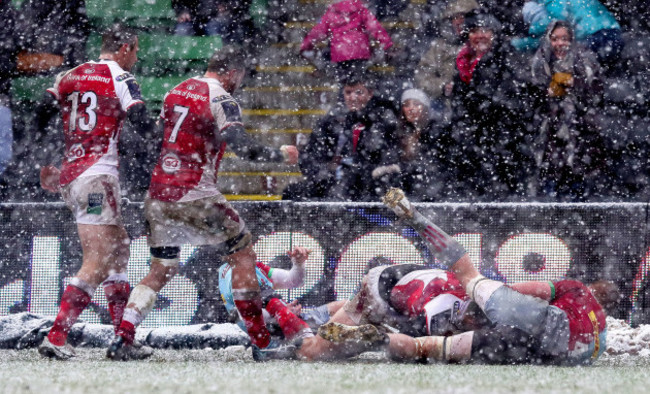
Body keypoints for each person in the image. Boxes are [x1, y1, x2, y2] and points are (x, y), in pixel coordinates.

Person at [106, 46, 299, 361]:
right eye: (241, 76)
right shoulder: (222, 97)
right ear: (232, 72)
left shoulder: (175, 91)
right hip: (197, 194)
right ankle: (262, 343)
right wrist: (279, 155)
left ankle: (123, 336)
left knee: (161, 269)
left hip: (158, 194)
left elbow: (156, 137)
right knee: (243, 257)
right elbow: (239, 144)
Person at [376, 187, 617, 365]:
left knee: (470, 277)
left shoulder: (578, 290)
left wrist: (485, 292)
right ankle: (376, 339)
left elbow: (521, 291)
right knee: (424, 347)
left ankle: (416, 219)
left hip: (544, 332)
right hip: (551, 351)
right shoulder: (598, 332)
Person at [37, 24, 155, 360]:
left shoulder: (69, 75)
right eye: (135, 50)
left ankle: (122, 340)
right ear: (125, 48)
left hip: (73, 177)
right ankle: (57, 336)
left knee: (118, 250)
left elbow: (40, 114)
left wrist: (47, 161)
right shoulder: (120, 77)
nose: (136, 56)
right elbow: (142, 121)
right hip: (97, 179)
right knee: (99, 260)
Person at [448, 9, 531, 200]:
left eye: (486, 30)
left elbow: (511, 98)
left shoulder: (507, 57)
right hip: (473, 137)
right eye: (475, 31)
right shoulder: (463, 60)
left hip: (502, 138)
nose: (480, 36)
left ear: (494, 34)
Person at [282, 73, 397, 201]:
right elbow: (313, 155)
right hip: (330, 182)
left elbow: (378, 156)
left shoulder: (381, 119)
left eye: (359, 93)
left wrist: (351, 172)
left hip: (363, 185)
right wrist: (303, 159)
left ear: (370, 94)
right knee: (292, 193)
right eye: (348, 93)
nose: (353, 98)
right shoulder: (331, 121)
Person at [218, 247, 345, 359]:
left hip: (287, 321)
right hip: (278, 334)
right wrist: (280, 314)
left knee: (345, 306)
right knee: (349, 314)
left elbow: (293, 281)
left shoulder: (254, 267)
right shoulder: (235, 275)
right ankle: (312, 346)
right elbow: (244, 315)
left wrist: (298, 263)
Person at [528, 20, 607, 201]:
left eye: (564, 39)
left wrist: (575, 84)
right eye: (555, 39)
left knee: (579, 173)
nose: (560, 44)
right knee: (550, 171)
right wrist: (547, 91)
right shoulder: (541, 60)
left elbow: (597, 89)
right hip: (550, 129)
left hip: (580, 127)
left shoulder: (584, 57)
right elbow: (531, 91)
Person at [372, 88, 452, 201]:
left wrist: (402, 168)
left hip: (428, 187)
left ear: (425, 108)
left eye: (416, 104)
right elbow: (389, 156)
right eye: (407, 105)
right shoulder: (396, 131)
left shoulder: (435, 131)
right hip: (402, 187)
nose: (411, 109)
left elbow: (433, 164)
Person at [299, 0, 393, 82]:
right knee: (359, 81)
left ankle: (344, 98)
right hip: (360, 51)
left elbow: (318, 32)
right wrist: (386, 44)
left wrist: (305, 46)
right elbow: (374, 27)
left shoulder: (331, 12)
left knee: (344, 82)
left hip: (340, 53)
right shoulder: (361, 9)